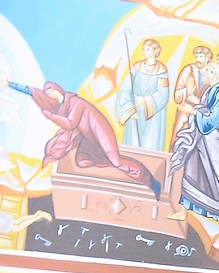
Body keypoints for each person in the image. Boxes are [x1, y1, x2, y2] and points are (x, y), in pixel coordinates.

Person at [3, 75, 159, 196]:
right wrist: (10, 84)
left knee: (117, 161)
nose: (49, 94)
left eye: (52, 90)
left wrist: (50, 116)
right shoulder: (63, 105)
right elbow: (32, 91)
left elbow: (70, 123)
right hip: (88, 137)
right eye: (47, 92)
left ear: (58, 90)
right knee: (82, 161)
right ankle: (111, 171)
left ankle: (150, 181)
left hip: (100, 133)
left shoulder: (75, 103)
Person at [169, 60, 219, 223]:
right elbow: (206, 112)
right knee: (192, 168)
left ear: (215, 75)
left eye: (208, 71)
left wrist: (193, 111)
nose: (204, 74)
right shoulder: (210, 91)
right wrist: (195, 110)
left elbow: (211, 121)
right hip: (207, 141)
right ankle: (184, 210)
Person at [116, 38, 169, 150]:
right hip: (135, 109)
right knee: (132, 143)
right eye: (144, 49)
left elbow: (163, 93)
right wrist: (129, 109)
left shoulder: (162, 71)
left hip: (153, 112)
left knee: (151, 144)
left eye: (148, 49)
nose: (144, 52)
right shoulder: (135, 68)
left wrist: (145, 100)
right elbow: (125, 89)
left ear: (156, 51)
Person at [170, 45, 212, 149]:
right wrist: (187, 91)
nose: (197, 59)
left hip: (202, 117)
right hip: (185, 115)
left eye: (201, 56)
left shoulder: (212, 73)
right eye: (196, 56)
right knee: (179, 144)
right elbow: (177, 96)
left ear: (208, 58)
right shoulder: (189, 70)